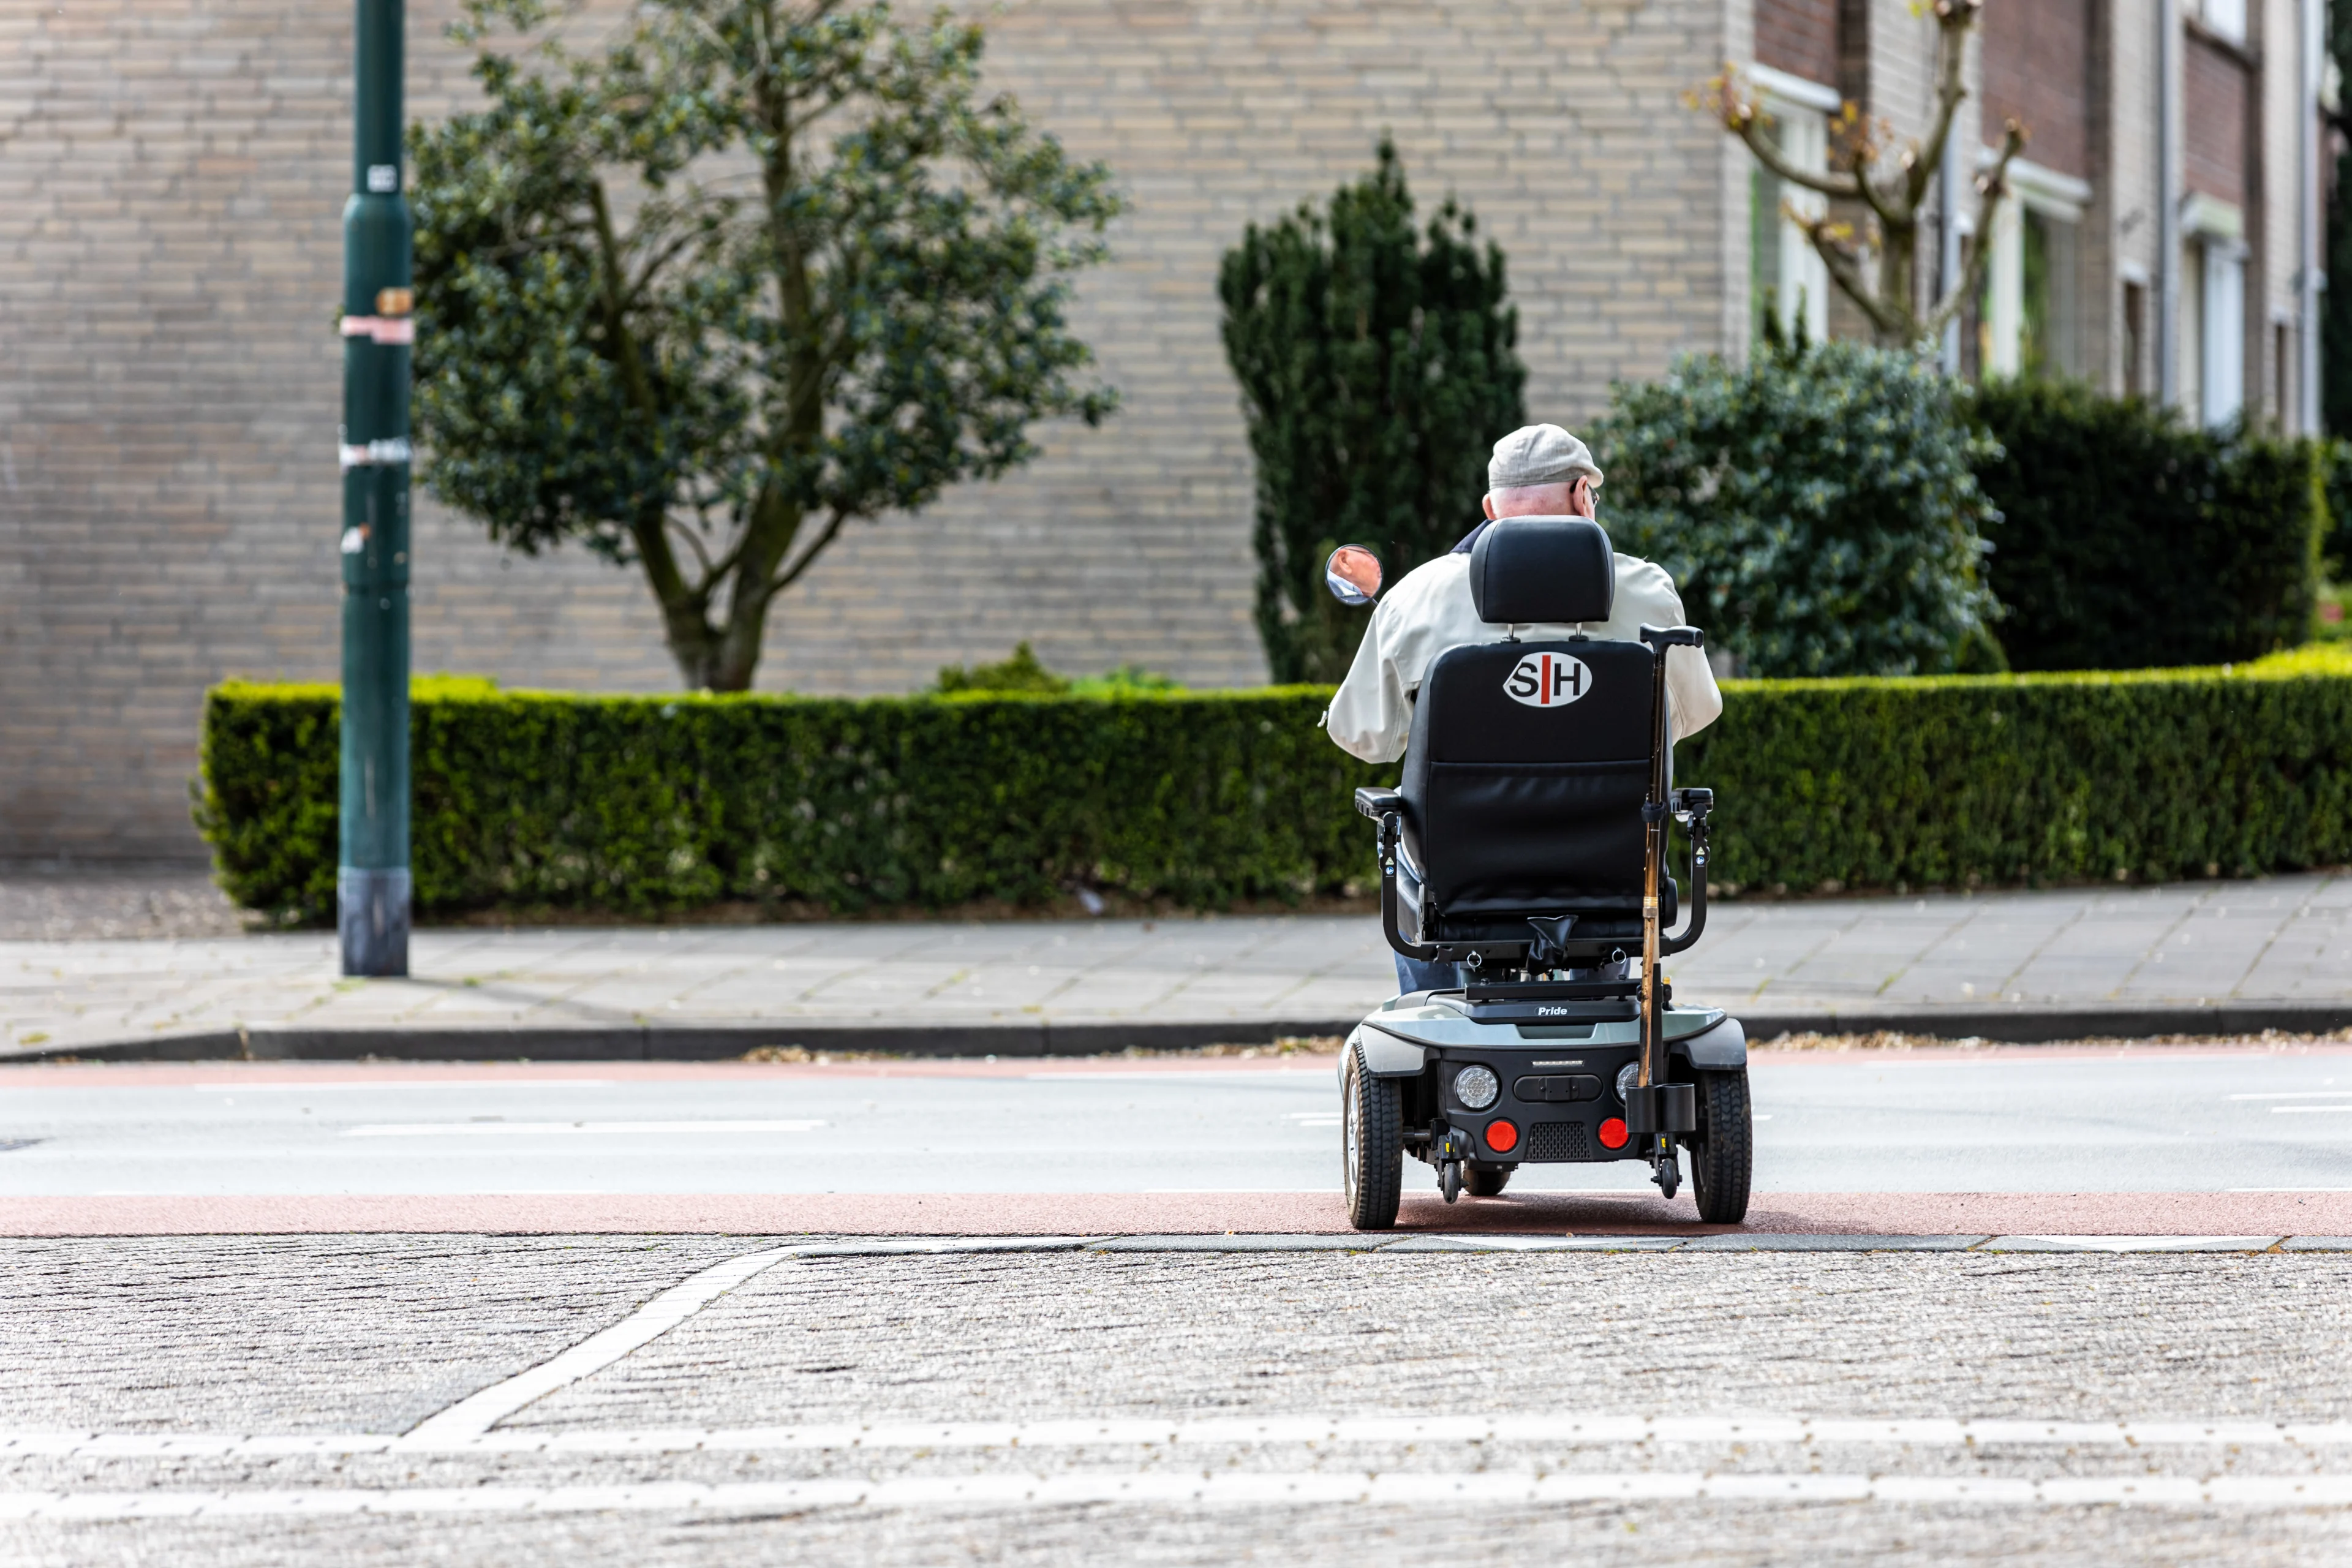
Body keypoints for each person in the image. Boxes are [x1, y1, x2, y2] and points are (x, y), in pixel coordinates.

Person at [1323, 422, 1724, 994]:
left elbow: (1364, 739)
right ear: (1584, 496)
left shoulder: (1416, 597)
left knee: (1410, 858)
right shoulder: (1647, 592)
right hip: (1607, 881)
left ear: (1490, 507)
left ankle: (1436, 1009)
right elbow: (1691, 714)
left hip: (1459, 889)